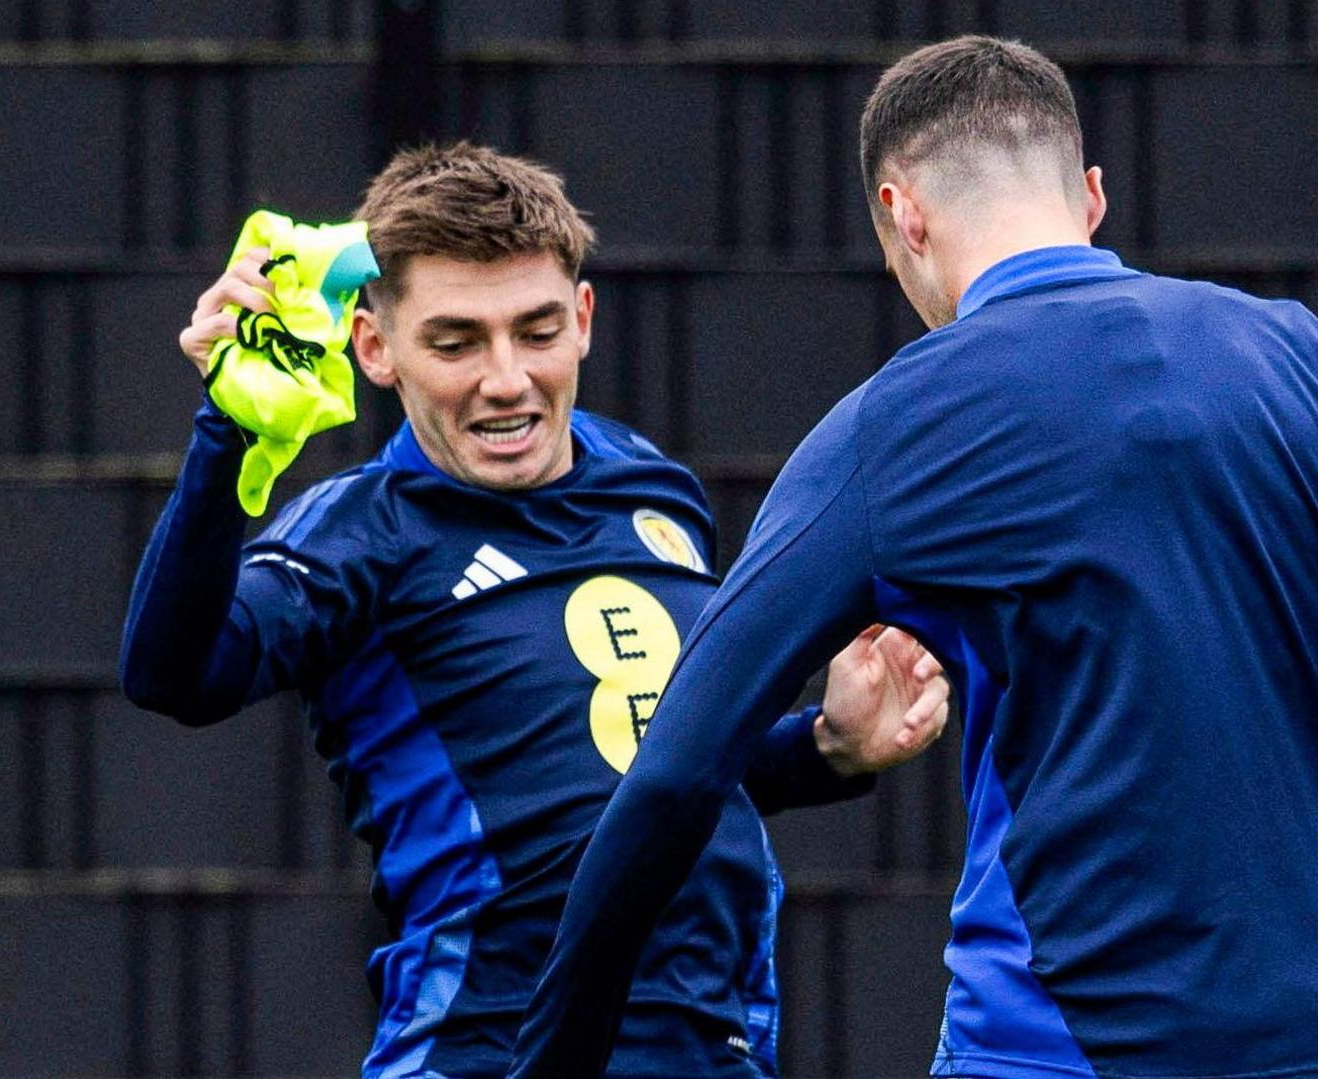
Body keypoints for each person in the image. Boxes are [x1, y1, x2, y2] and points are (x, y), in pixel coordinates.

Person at [513, 36, 1318, 1079]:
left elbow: (677, 769)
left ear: (902, 214)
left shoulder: (897, 425)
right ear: (1089, 196)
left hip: (1058, 1038)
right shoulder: (1314, 362)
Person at [119, 142, 949, 1079]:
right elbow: (171, 674)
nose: (506, 377)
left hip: (709, 1047)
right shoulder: (362, 531)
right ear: (374, 346)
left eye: (537, 329)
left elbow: (637, 761)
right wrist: (226, 434)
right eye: (456, 341)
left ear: (585, 319)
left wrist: (825, 747)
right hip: (486, 1050)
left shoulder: (654, 486)